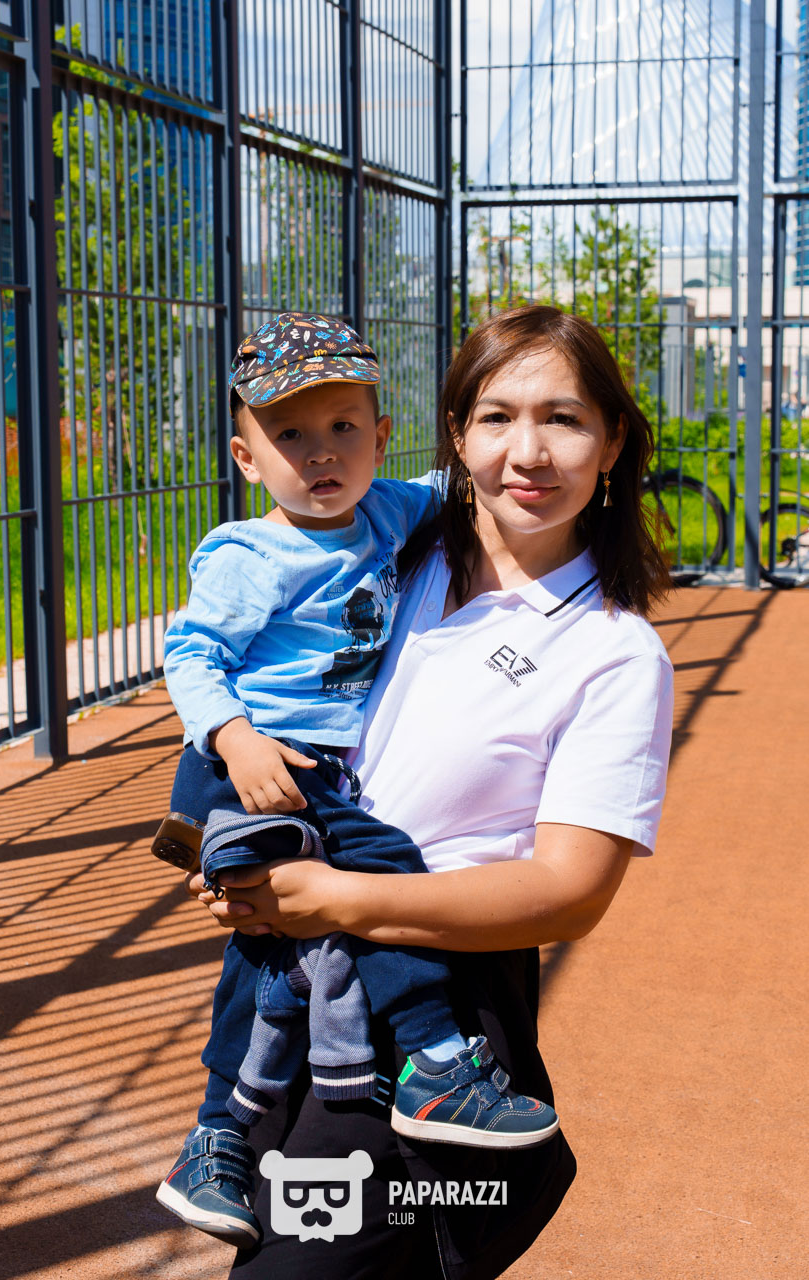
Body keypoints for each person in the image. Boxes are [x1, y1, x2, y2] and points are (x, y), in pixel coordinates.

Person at [183, 304, 675, 1279]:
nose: (527, 452)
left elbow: (571, 892)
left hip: (434, 1004)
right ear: (454, 436)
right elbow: (234, 673)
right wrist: (241, 856)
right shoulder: (383, 548)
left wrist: (338, 895)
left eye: (563, 419)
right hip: (301, 971)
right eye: (496, 417)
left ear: (613, 441)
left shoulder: (614, 652)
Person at [155, 312, 560, 1248]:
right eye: (289, 435)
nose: (321, 452)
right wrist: (236, 739)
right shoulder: (247, 555)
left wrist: (511, 422)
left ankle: (217, 1139)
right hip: (245, 765)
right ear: (246, 458)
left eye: (344, 427)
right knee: (384, 866)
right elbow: (190, 654)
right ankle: (433, 1059)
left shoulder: (390, 511)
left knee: (272, 952)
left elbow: (471, 480)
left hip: (315, 774)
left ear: (381, 438)